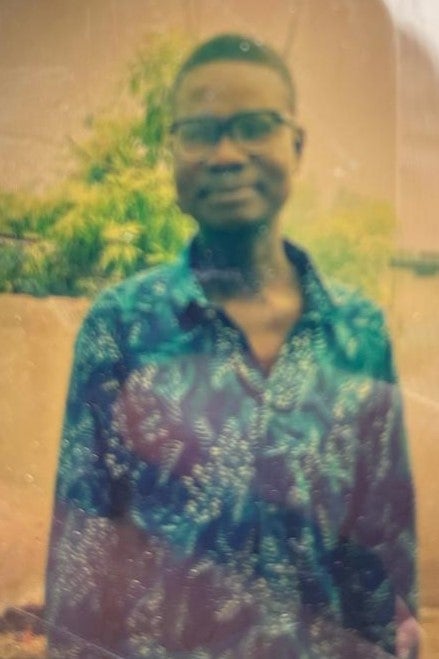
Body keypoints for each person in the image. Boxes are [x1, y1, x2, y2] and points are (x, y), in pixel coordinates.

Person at [45, 34, 418, 658]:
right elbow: (80, 570)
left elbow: (384, 562)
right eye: (200, 132)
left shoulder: (357, 334)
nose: (226, 155)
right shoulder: (122, 327)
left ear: (296, 145)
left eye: (254, 127)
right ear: (173, 154)